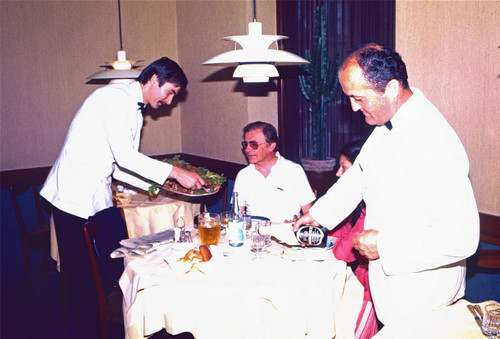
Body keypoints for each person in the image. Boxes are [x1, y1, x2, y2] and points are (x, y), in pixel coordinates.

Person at [293, 43, 479, 327]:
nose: (354, 107)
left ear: (391, 88)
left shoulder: (433, 141)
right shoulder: (387, 125)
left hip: (424, 298)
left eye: (358, 97)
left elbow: (462, 237)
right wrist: (319, 214)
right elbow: (358, 177)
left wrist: (385, 244)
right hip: (393, 294)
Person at [40, 57, 204, 338]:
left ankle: (117, 326)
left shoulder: (135, 111)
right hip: (72, 199)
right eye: (170, 92)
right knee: (83, 282)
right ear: (154, 80)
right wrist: (174, 172)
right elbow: (126, 158)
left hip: (95, 199)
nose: (169, 101)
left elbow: (121, 168)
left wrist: (162, 186)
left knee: (107, 274)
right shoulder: (112, 98)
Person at [329, 139, 378, 338]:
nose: (338, 173)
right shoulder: (355, 203)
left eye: (344, 167)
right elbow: (336, 235)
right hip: (355, 285)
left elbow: (342, 252)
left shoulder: (370, 208)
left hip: (370, 292)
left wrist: (333, 243)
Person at [233, 121, 316, 222]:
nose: (247, 149)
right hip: (254, 234)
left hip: (286, 233)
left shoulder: (294, 171)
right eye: (245, 144)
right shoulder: (243, 175)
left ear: (271, 146)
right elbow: (236, 216)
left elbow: (310, 215)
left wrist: (298, 222)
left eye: (253, 145)